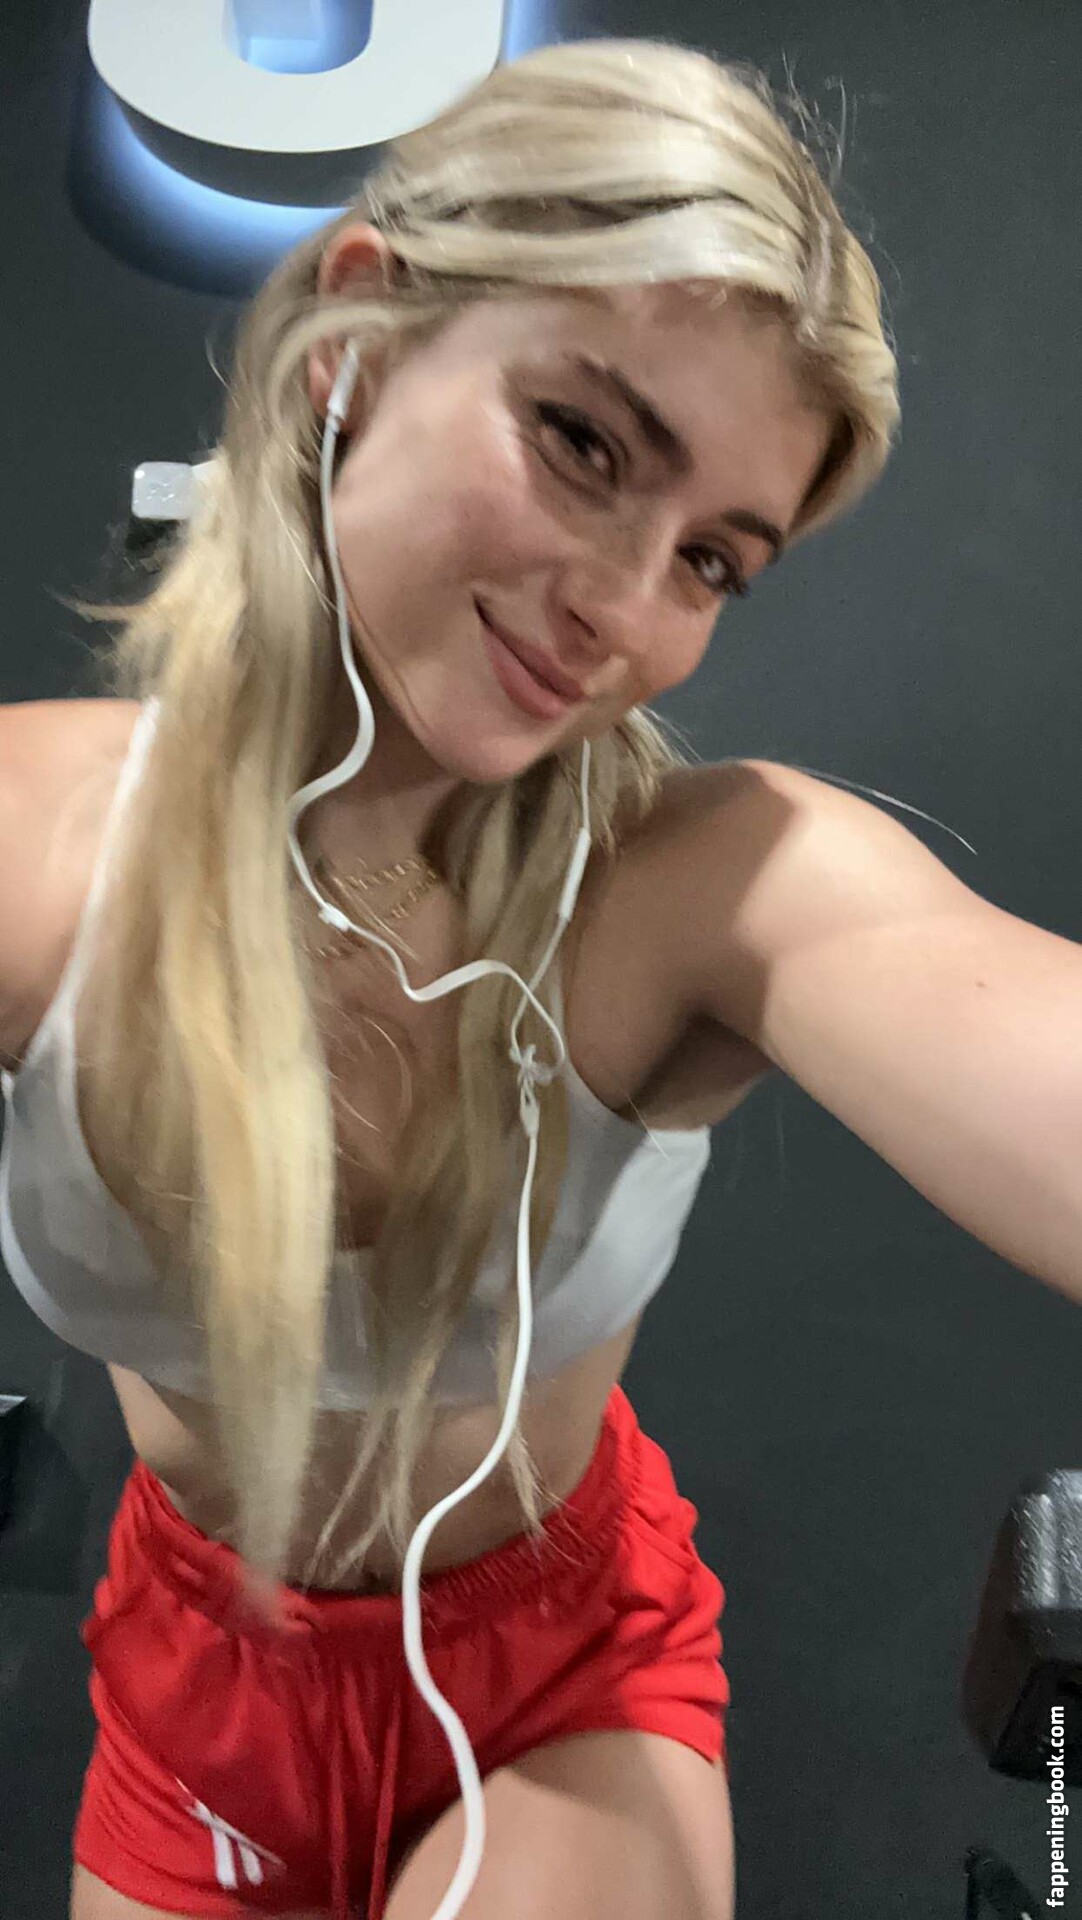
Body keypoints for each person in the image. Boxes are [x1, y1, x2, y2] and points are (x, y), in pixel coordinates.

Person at [0, 35, 900, 1920]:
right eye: (583, 443)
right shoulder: (43, 849)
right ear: (358, 339)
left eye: (712, 560)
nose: (623, 610)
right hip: (196, 1682)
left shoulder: (695, 886)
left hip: (558, 1676)